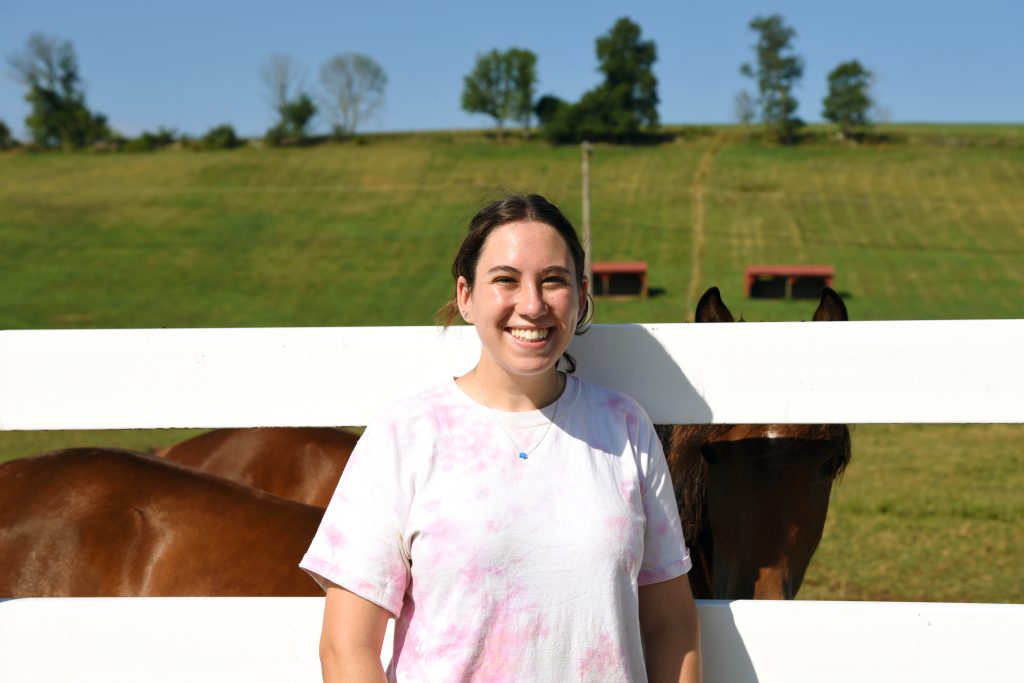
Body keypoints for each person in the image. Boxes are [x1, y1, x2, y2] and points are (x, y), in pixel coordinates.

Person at [301, 193, 701, 682]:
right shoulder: (405, 435)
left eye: (552, 281)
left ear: (580, 294)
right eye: (505, 280)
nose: (532, 305)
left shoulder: (625, 428)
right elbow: (347, 649)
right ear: (466, 296)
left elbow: (671, 626)